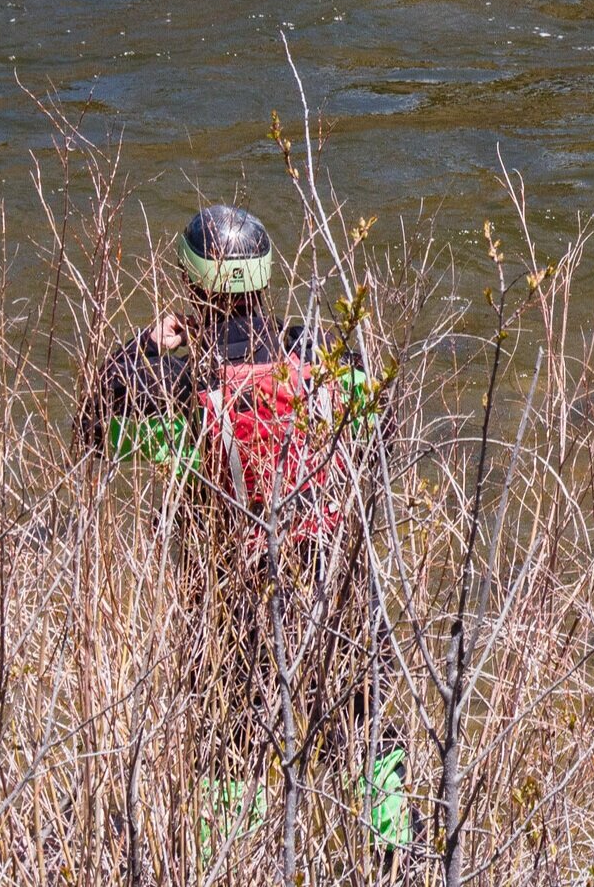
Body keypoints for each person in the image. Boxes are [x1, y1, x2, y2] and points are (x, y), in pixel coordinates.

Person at [81, 204, 406, 854]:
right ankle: (395, 858)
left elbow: (94, 432)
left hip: (243, 597)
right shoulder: (323, 349)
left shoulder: (182, 380)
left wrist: (145, 346)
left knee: (235, 747)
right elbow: (385, 438)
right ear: (266, 279)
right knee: (372, 737)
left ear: (192, 287)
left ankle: (237, 862)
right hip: (338, 584)